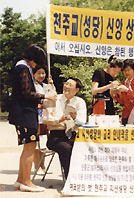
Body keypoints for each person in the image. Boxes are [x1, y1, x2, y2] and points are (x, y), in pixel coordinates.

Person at [8, 44, 49, 192]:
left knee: (27, 147)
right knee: (30, 147)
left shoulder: (21, 67)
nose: (36, 66)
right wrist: (45, 96)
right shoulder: (23, 68)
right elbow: (27, 93)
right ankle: (27, 181)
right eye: (36, 62)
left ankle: (20, 180)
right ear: (32, 59)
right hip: (25, 114)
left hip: (22, 113)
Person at [44, 77, 87, 179]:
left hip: (73, 135)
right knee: (66, 149)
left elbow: (82, 122)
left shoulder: (80, 102)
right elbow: (46, 121)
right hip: (56, 136)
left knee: (83, 147)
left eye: (70, 85)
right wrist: (59, 121)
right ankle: (70, 179)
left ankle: (82, 178)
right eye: (66, 84)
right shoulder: (54, 99)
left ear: (77, 90)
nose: (66, 86)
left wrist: (75, 118)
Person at [32, 65, 56, 175]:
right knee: (36, 142)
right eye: (39, 73)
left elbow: (54, 96)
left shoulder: (46, 85)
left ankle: (43, 166)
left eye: (43, 73)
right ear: (33, 74)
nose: (41, 75)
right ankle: (37, 167)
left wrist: (51, 84)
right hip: (35, 116)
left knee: (43, 142)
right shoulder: (32, 85)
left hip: (46, 117)